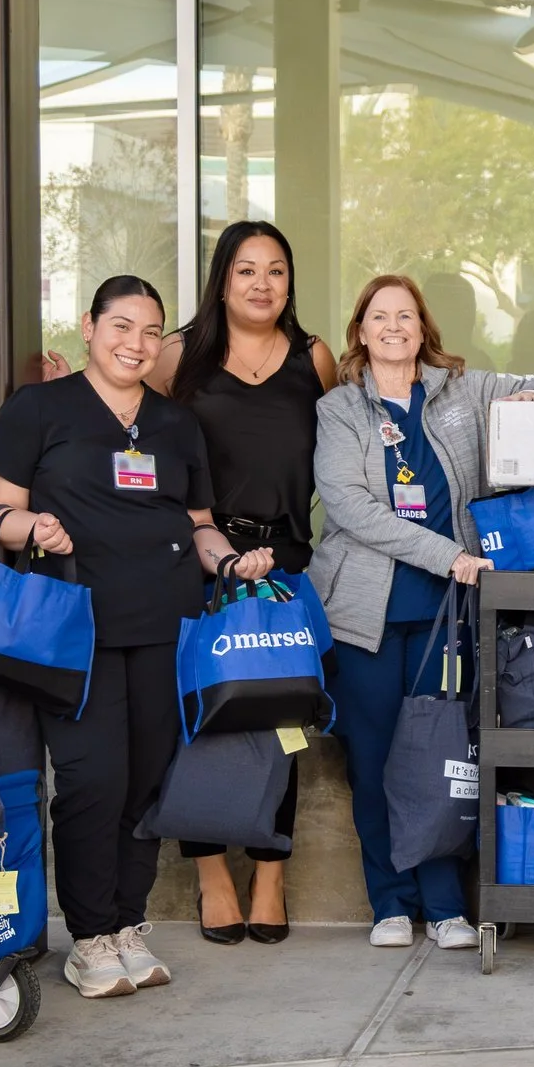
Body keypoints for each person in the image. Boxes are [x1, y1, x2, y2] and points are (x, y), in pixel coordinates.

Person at [0, 275, 235, 1001]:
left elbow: (199, 522)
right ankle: (88, 936)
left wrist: (228, 558)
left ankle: (128, 923)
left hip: (166, 622)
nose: (135, 342)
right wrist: (31, 525)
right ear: (89, 327)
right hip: (76, 627)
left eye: (150, 331)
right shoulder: (39, 409)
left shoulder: (176, 424)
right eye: (121, 326)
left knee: (148, 778)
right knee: (93, 779)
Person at [312, 276, 534, 951]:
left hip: (446, 611)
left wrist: (532, 399)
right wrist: (447, 552)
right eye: (379, 316)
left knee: (440, 757)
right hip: (366, 612)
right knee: (372, 761)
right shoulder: (339, 409)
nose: (393, 326)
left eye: (405, 315)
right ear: (360, 331)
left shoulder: (462, 392)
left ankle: (446, 904)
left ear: (423, 328)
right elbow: (351, 508)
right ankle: (389, 903)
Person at [155, 220, 338, 948]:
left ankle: (270, 869)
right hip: (201, 559)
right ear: (221, 280)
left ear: (290, 282)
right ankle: (210, 873)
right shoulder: (179, 353)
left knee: (282, 722)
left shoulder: (315, 357)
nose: (262, 284)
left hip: (286, 565)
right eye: (245, 270)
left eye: (276, 271)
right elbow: (125, 423)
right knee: (201, 719)